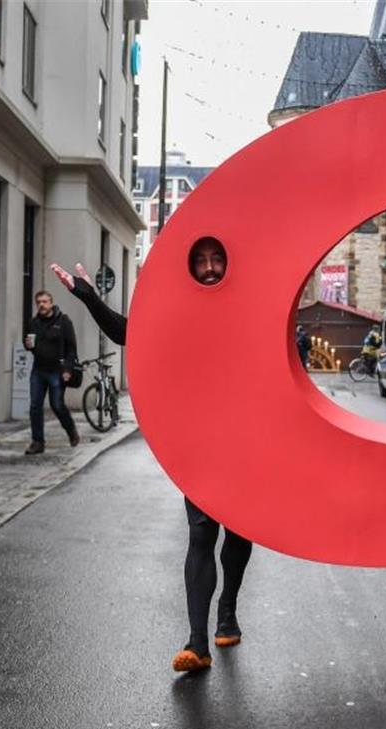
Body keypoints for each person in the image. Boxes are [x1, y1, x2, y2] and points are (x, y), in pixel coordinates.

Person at [50, 236, 253, 673]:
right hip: (199, 440)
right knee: (201, 533)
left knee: (239, 533)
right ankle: (197, 642)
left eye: (217, 258)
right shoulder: (181, 311)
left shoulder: (250, 306)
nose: (210, 267)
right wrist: (88, 298)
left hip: (247, 439)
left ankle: (228, 610)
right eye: (201, 260)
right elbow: (130, 333)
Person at [24, 290, 81, 455]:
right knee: (35, 406)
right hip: (39, 370)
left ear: (51, 303)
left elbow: (71, 348)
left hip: (57, 371)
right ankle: (38, 442)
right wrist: (28, 344)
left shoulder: (63, 321)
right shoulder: (34, 323)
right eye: (39, 302)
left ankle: (71, 431)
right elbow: (27, 340)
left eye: (44, 301)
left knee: (57, 405)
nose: (41, 305)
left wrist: (68, 369)